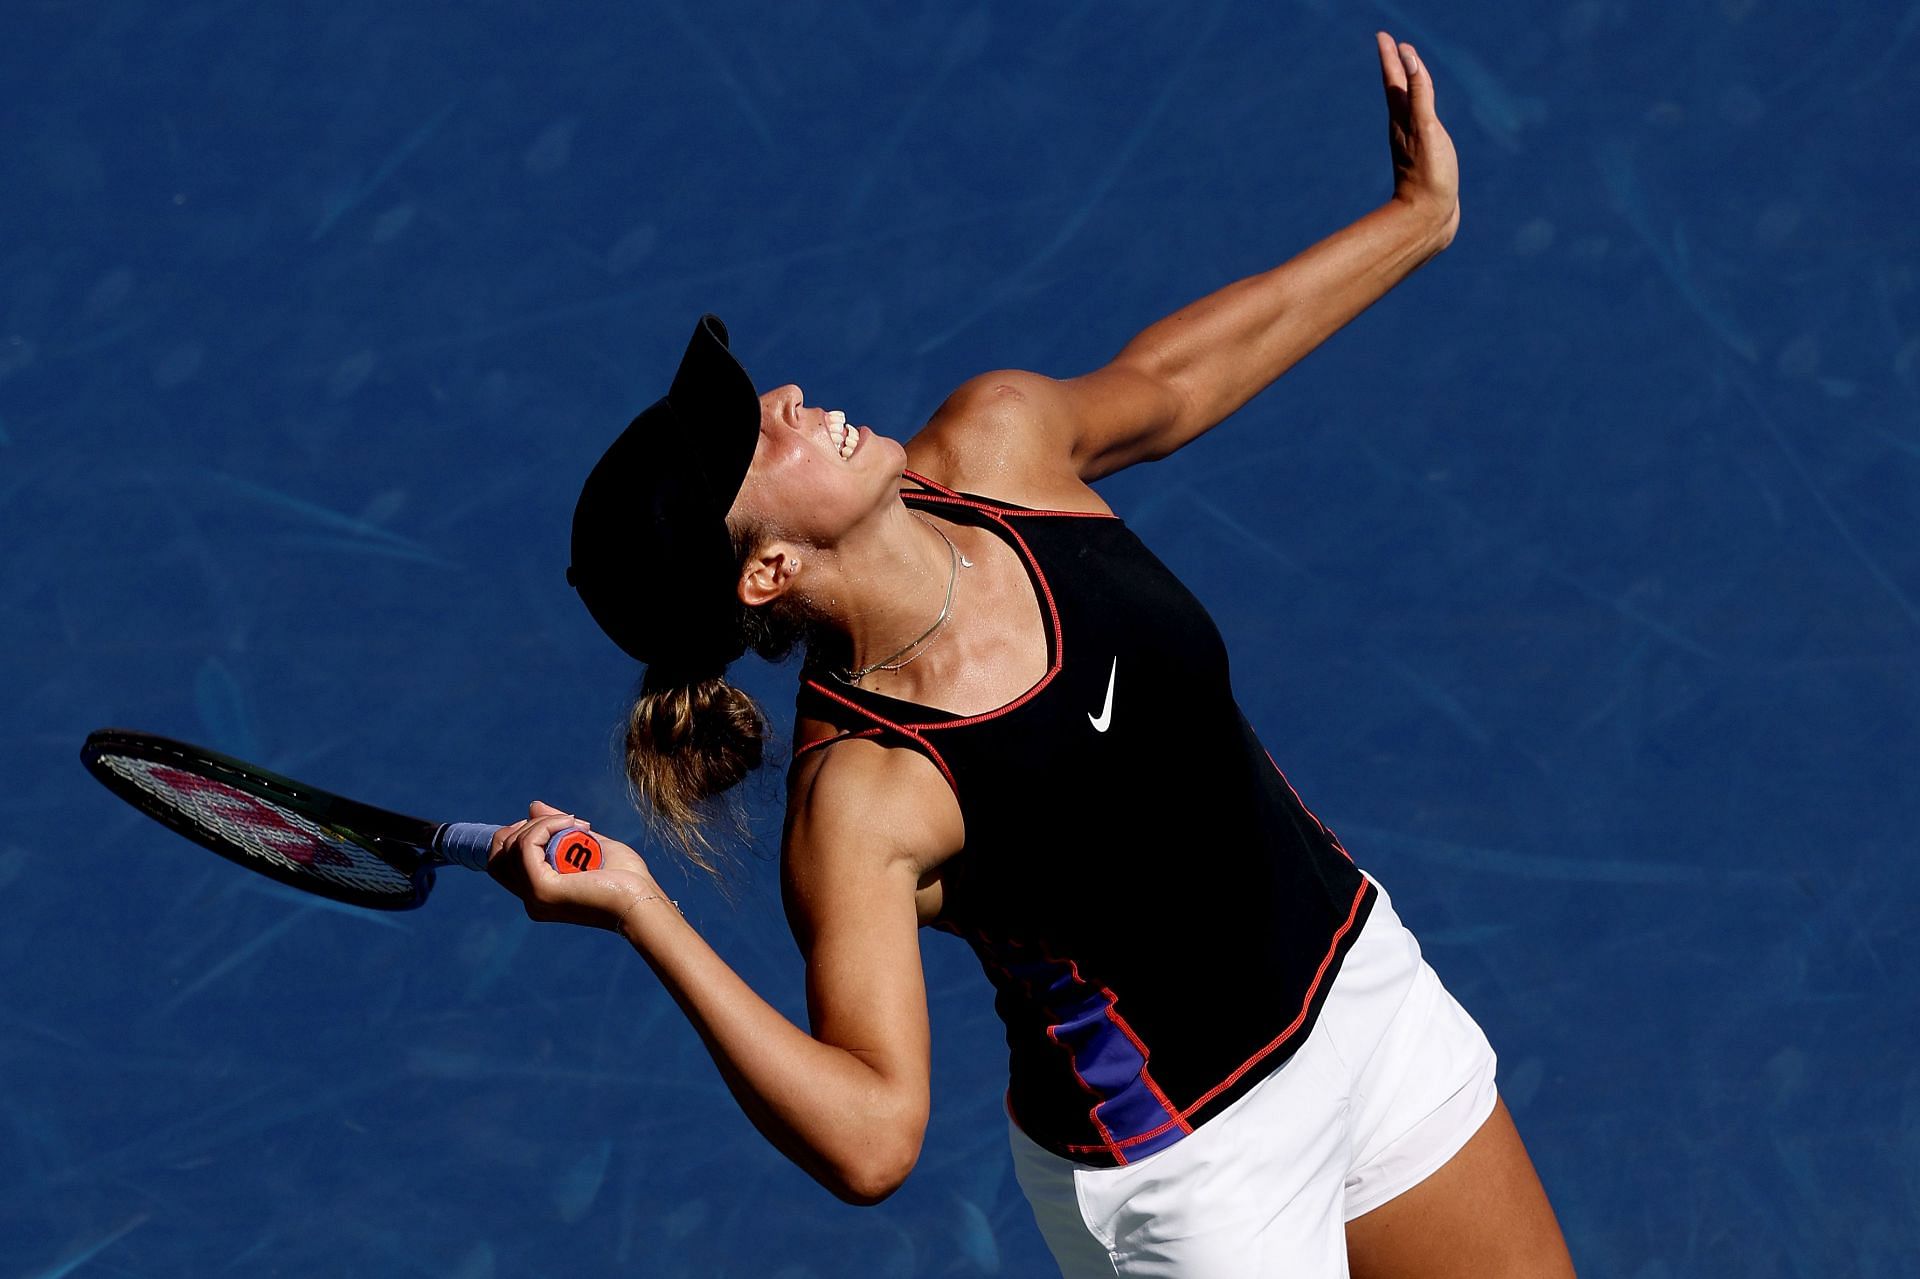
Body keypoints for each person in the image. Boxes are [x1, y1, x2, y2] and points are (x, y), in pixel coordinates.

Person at [485, 32, 1576, 1277]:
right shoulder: (866, 797)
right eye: (756, 435)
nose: (787, 394)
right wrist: (643, 910)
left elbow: (1174, 380)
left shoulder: (1000, 446)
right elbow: (874, 1137)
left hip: (1362, 1000)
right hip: (1192, 1176)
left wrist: (1415, 222)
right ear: (766, 570)